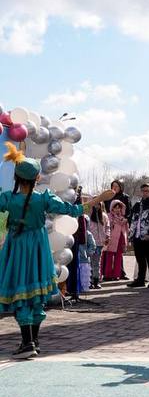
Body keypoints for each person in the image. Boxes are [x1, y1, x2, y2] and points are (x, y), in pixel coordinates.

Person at [0, 143, 90, 359]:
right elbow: (70, 209)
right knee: (37, 295)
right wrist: (91, 202)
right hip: (39, 249)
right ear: (37, 178)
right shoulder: (44, 198)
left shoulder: (8, 198)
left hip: (18, 247)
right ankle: (34, 341)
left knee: (21, 292)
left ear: (17, 179)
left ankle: (27, 342)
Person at [127, 182, 149, 288]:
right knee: (140, 259)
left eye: (147, 191)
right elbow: (132, 218)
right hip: (137, 236)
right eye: (143, 191)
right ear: (140, 192)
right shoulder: (137, 204)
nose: (145, 193)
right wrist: (131, 234)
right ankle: (140, 280)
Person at [100, 199, 128, 281]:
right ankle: (107, 275)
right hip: (111, 240)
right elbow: (106, 227)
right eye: (115, 208)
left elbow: (125, 230)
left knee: (118, 257)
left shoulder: (122, 218)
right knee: (109, 257)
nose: (117, 209)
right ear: (112, 208)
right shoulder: (109, 217)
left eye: (119, 208)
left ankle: (116, 274)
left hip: (120, 239)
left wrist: (126, 239)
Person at [89, 201, 108, 288]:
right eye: (95, 204)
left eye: (98, 204)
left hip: (100, 243)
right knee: (89, 262)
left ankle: (96, 281)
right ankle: (89, 281)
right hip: (90, 243)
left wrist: (107, 236)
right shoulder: (89, 215)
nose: (97, 206)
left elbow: (107, 227)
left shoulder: (104, 216)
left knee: (96, 262)